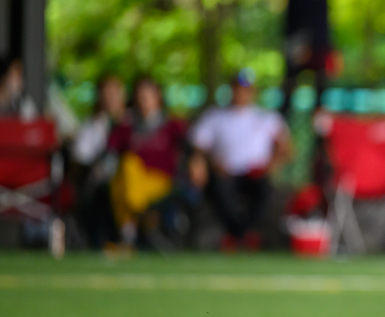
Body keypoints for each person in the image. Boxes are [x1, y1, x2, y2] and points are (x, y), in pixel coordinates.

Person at [189, 70, 291, 250]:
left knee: (265, 189)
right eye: (237, 88)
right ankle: (241, 235)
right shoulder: (215, 116)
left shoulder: (266, 117)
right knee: (219, 188)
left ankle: (238, 235)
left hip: (256, 173)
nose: (241, 93)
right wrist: (203, 163)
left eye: (246, 89)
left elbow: (286, 147)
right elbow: (199, 146)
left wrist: (272, 164)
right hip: (225, 172)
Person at [106, 75, 188, 248]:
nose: (143, 102)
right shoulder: (127, 124)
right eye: (139, 97)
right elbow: (110, 151)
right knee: (127, 166)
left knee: (122, 183)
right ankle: (139, 216)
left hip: (159, 180)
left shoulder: (171, 124)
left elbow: (189, 147)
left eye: (147, 97)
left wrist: (197, 162)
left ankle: (129, 230)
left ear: (158, 97)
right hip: (132, 182)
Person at [71, 74, 127, 248]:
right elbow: (80, 157)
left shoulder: (132, 123)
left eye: (115, 93)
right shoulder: (91, 126)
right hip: (100, 184)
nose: (111, 99)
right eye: (107, 94)